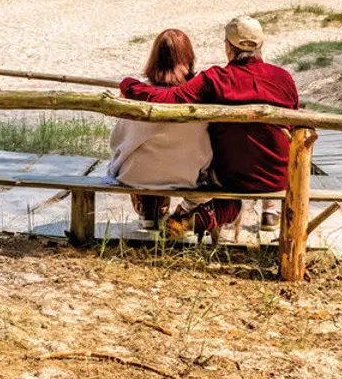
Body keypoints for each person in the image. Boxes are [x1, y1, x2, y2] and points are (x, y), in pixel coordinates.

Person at [118, 15, 298, 241]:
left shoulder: (216, 79)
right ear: (261, 45)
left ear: (227, 47)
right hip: (278, 177)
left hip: (232, 178)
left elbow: (168, 97)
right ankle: (269, 209)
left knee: (218, 174)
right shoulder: (283, 78)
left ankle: (184, 215)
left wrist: (129, 85)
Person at [105, 29, 213, 226]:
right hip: (185, 176)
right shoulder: (198, 95)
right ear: (188, 59)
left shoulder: (139, 92)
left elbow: (118, 141)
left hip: (137, 175)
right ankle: (171, 210)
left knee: (140, 158)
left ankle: (148, 208)